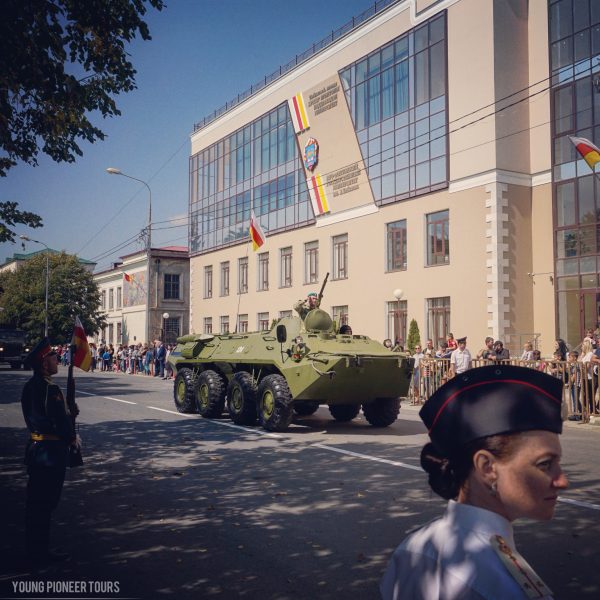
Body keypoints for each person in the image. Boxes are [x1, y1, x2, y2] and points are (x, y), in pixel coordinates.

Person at [381, 365, 568, 600]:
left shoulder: (412, 547)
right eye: (545, 464)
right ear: (487, 468)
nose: (562, 481)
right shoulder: (506, 587)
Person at [21, 338, 81, 566]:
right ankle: (39, 553)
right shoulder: (50, 389)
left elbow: (41, 417)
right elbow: (59, 423)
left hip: (37, 449)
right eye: (53, 357)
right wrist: (71, 434)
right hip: (50, 452)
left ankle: (36, 549)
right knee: (44, 504)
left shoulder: (31, 386)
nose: (57, 360)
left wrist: (69, 411)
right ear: (44, 363)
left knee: (37, 504)